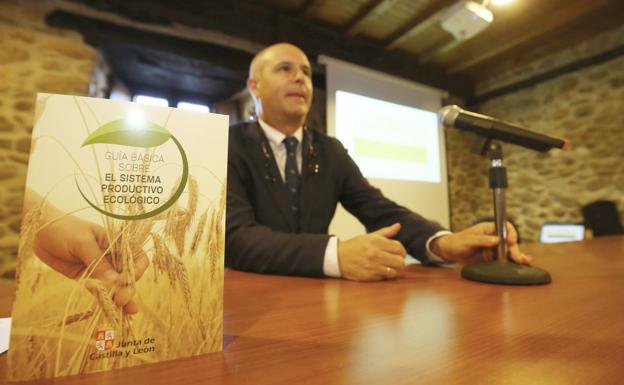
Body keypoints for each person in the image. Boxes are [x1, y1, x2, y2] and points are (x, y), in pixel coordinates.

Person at [225, 42, 532, 281]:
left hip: (317, 299)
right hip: (251, 297)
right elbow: (235, 238)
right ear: (254, 86)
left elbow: (380, 211)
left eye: (306, 71)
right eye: (284, 69)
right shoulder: (230, 144)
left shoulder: (330, 150)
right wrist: (335, 254)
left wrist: (444, 243)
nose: (300, 78)